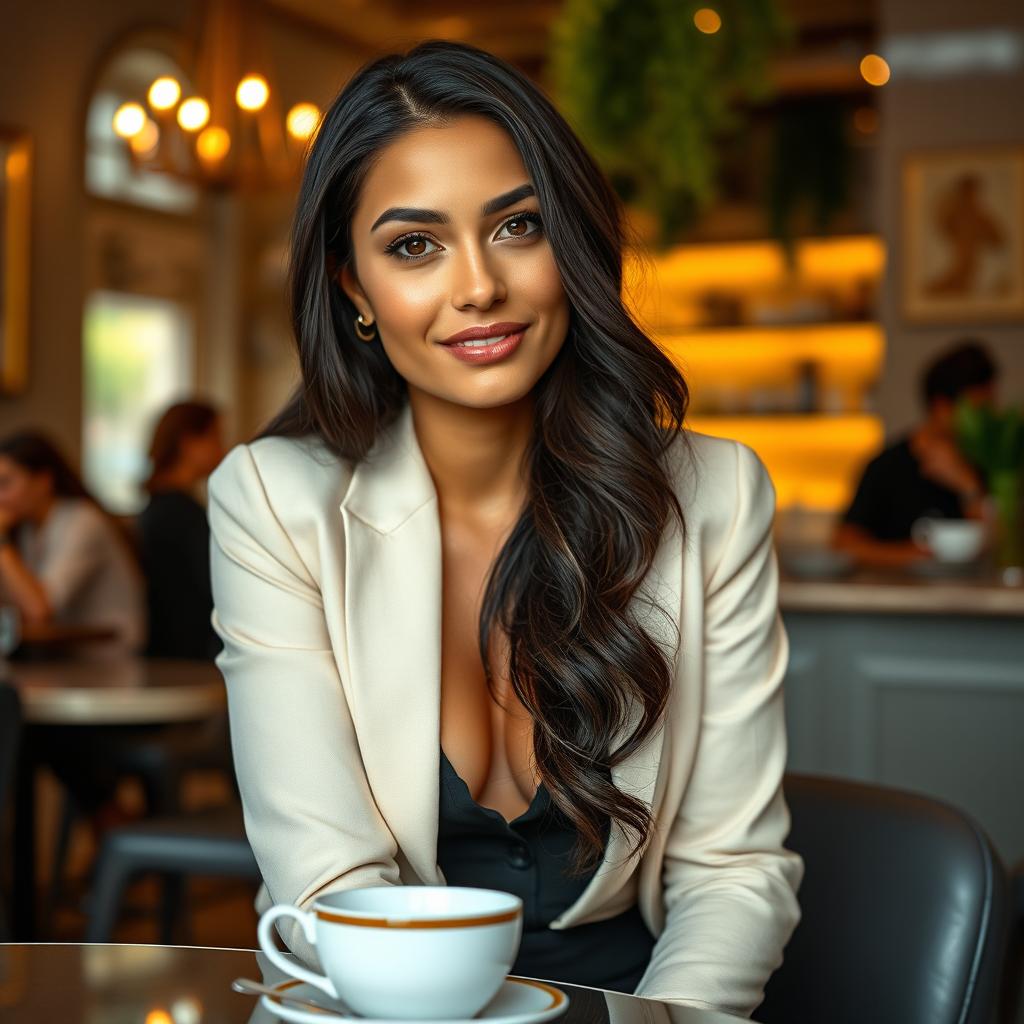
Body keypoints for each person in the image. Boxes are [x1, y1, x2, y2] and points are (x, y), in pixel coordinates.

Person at [207, 40, 802, 1016]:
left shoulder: (715, 494)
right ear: (352, 286)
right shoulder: (272, 502)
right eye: (413, 245)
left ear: (568, 242)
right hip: (381, 1006)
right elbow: (326, 883)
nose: (477, 286)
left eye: (516, 226)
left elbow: (732, 871)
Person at [832, 340, 996, 569]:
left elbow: (1000, 550)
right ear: (942, 408)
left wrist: (969, 487)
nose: (989, 419)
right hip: (895, 601)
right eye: (980, 410)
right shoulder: (887, 466)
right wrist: (919, 556)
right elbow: (845, 544)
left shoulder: (989, 463)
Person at [0, 430, 145, 657]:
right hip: (62, 659)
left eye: (6, 483)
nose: (1, 497)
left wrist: (2, 542)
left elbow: (39, 609)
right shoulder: (29, 530)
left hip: (108, 662)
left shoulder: (83, 522)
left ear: (43, 482)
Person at [138, 399, 225, 660]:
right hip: (187, 655)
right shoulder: (179, 512)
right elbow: (214, 586)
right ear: (188, 443)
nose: (223, 448)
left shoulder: (159, 505)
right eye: (216, 438)